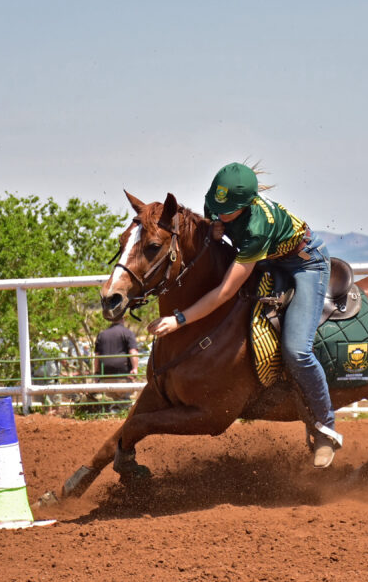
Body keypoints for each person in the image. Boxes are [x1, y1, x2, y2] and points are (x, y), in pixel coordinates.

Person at [146, 162, 345, 468]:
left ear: (248, 204)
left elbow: (224, 292)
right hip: (268, 261)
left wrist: (180, 319)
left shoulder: (257, 227)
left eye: (229, 211)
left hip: (305, 264)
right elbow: (213, 224)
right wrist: (214, 226)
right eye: (218, 208)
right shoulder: (216, 201)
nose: (221, 214)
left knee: (298, 351)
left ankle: (325, 430)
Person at [94, 317, 140, 414]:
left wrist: (96, 372)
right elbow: (133, 352)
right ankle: (122, 414)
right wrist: (135, 368)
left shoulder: (102, 335)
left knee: (113, 399)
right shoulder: (128, 333)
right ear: (122, 319)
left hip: (106, 375)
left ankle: (113, 412)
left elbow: (97, 356)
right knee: (126, 400)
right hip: (123, 374)